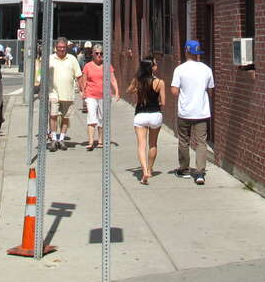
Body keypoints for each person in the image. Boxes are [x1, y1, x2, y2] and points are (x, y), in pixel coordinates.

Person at [170, 40, 214, 185]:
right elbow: (211, 90)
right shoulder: (207, 69)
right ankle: (200, 173)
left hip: (185, 112)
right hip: (202, 112)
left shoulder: (180, 69)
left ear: (186, 51)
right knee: (201, 142)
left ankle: (184, 169)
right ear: (198, 53)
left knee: (184, 140)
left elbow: (174, 91)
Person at [127, 56, 166, 185]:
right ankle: (149, 169)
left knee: (141, 145)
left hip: (141, 115)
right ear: (151, 68)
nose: (156, 66)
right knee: (153, 144)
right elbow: (163, 102)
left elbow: (128, 91)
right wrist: (155, 103)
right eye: (155, 64)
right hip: (155, 115)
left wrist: (137, 89)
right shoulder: (160, 82)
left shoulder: (138, 80)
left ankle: (143, 170)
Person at [47, 36, 83, 152]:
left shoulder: (72, 59)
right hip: (53, 92)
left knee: (65, 117)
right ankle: (53, 139)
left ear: (66, 47)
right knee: (53, 115)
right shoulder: (50, 59)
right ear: (55, 47)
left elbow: (79, 76)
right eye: (59, 47)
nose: (61, 49)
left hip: (68, 94)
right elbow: (43, 74)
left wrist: (82, 91)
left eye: (63, 47)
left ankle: (61, 139)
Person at [82, 44, 119, 150]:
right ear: (93, 54)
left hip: (104, 96)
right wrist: (83, 92)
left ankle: (100, 141)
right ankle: (90, 142)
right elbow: (84, 80)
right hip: (91, 95)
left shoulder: (107, 66)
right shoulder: (88, 66)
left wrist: (117, 92)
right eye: (97, 53)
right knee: (91, 117)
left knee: (102, 118)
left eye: (101, 53)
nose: (99, 55)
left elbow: (113, 79)